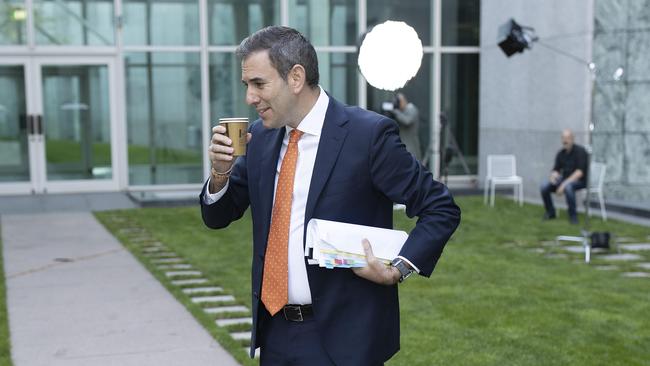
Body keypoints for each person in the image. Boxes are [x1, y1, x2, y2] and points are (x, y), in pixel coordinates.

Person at [200, 26, 460, 365]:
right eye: (246, 85)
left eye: (259, 84)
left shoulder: (367, 136)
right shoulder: (259, 139)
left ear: (295, 77)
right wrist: (221, 172)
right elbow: (218, 217)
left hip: (343, 342)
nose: (250, 97)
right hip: (274, 333)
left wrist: (399, 268)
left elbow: (440, 207)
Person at [540, 129, 589, 224]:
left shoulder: (580, 151)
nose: (565, 141)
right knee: (544, 186)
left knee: (568, 187)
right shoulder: (561, 153)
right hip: (564, 180)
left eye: (567, 138)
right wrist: (553, 177)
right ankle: (551, 212)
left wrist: (562, 185)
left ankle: (573, 216)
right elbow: (556, 170)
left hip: (581, 181)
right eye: (563, 138)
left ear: (572, 139)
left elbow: (579, 172)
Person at [391, 92, 422, 160]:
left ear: (404, 100)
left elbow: (407, 121)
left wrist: (395, 111)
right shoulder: (400, 112)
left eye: (399, 101)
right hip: (401, 148)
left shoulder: (411, 109)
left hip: (410, 149)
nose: (398, 103)